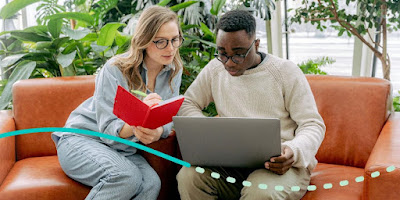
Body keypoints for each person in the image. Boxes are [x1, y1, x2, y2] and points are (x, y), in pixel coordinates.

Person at [176, 10, 325, 200]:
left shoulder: (285, 72)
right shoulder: (215, 69)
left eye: (238, 54)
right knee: (189, 176)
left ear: (256, 44)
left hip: (281, 168)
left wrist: (294, 151)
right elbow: (188, 102)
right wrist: (207, 129)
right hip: (230, 165)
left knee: (260, 191)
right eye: (222, 54)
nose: (229, 63)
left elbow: (313, 124)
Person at [51, 5, 183, 200]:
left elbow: (168, 116)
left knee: (151, 184)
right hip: (81, 140)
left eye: (175, 39)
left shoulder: (174, 70)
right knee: (125, 177)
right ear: (144, 41)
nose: (170, 48)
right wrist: (137, 123)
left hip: (123, 150)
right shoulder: (115, 69)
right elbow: (107, 131)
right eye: (161, 42)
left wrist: (158, 131)